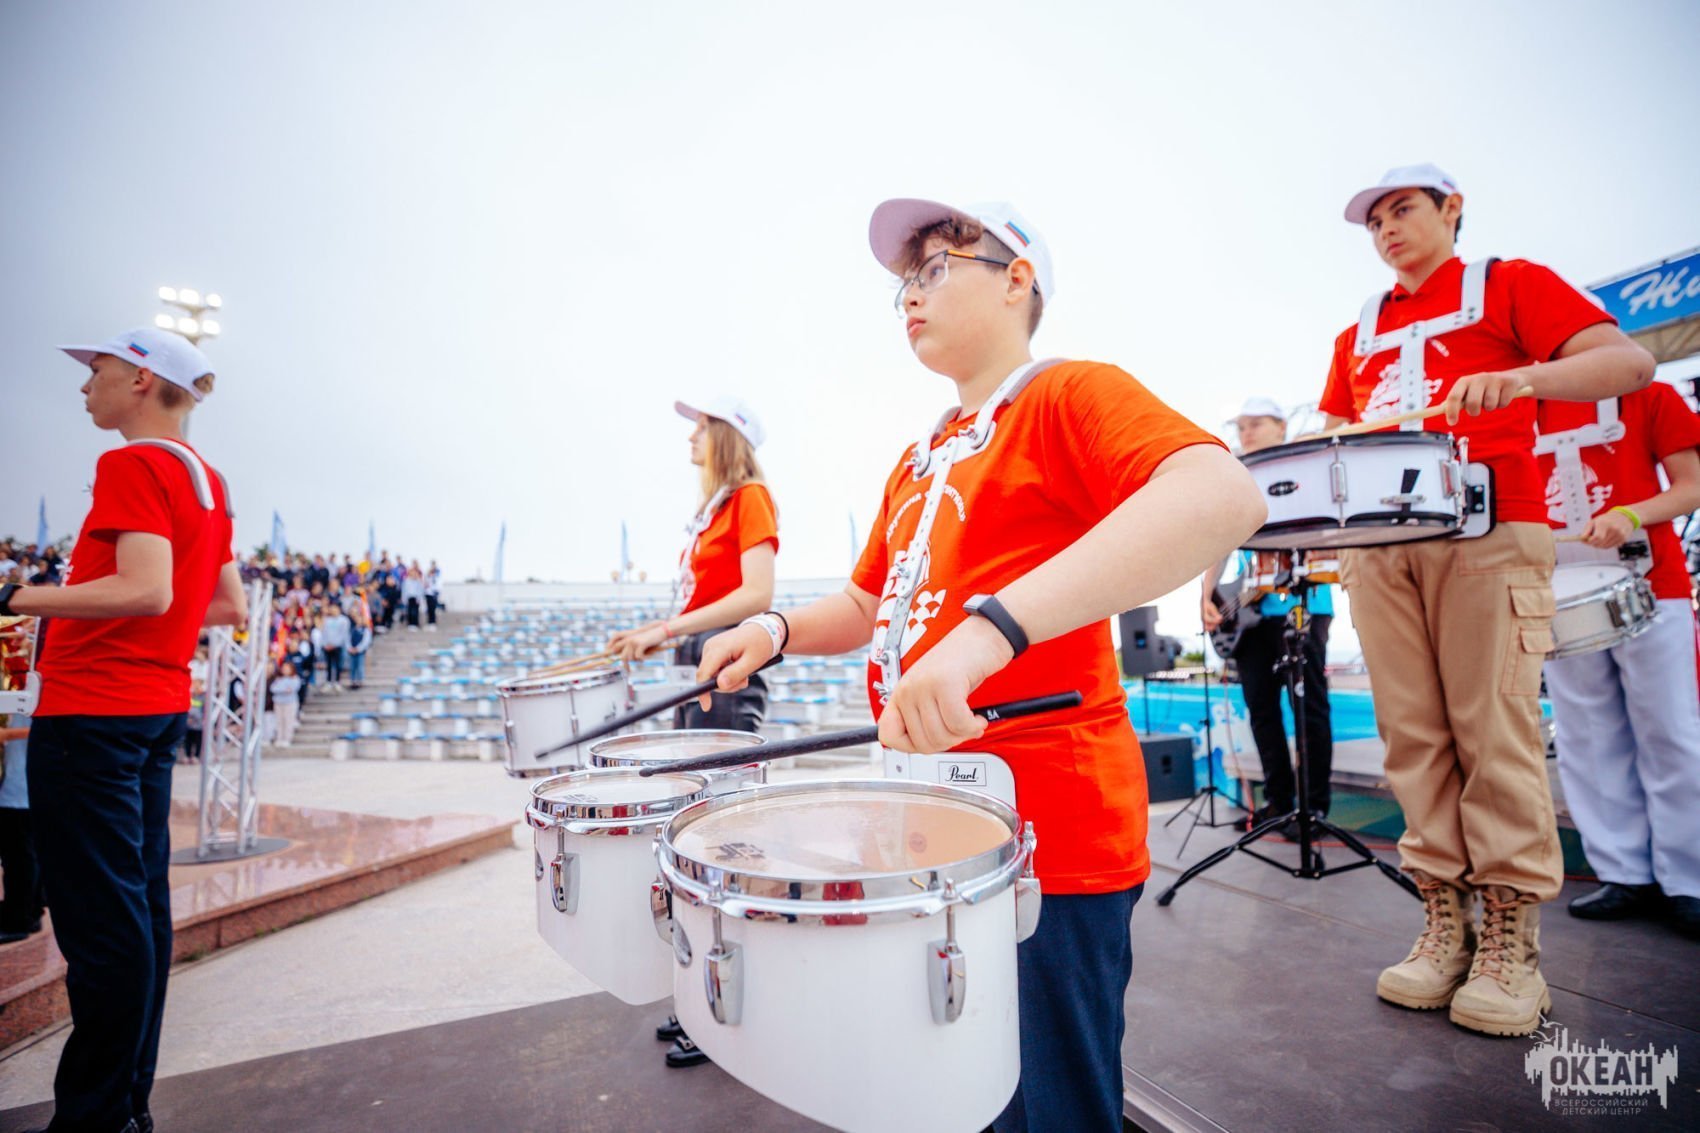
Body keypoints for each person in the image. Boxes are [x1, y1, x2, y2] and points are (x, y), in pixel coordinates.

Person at [697, 198, 1264, 1130]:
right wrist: (777, 630)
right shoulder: (918, 457)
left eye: (935, 267)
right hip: (931, 826)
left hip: (1048, 839)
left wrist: (990, 630)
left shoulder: (1067, 393)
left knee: (1050, 1103)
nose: (911, 297)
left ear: (1016, 279)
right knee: (957, 1092)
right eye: (903, 285)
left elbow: (1221, 493)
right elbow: (869, 604)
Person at [1316, 165, 1655, 1036]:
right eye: (1375, 222)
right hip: (1378, 546)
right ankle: (1445, 923)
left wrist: (1527, 379)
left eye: (1403, 210)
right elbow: (1334, 430)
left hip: (1492, 527)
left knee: (1493, 728)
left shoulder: (1510, 284)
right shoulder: (1358, 328)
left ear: (1452, 209)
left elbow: (1630, 362)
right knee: (1411, 736)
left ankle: (1511, 945)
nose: (1387, 229)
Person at [0, 326, 248, 1133]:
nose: (85, 386)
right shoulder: (207, 478)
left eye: (98, 369)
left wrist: (16, 598)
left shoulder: (133, 463)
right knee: (138, 908)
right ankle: (123, 1105)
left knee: (101, 922)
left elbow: (146, 590)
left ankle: (96, 1117)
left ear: (140, 379)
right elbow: (226, 604)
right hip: (150, 706)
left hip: (93, 712)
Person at [607, 395, 778, 1069]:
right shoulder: (713, 510)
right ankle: (709, 1001)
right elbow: (705, 602)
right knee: (699, 839)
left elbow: (756, 595)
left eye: (700, 427)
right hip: (699, 670)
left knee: (724, 844)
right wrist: (658, 635)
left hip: (726, 675)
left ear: (727, 434)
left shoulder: (749, 498)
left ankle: (729, 1005)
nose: (689, 439)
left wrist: (669, 628)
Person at [1534, 383, 1700, 939]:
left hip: (1651, 581)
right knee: (1585, 735)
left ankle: (1690, 880)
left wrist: (1630, 514)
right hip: (1558, 590)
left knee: (1671, 731)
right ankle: (1623, 873)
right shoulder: (1520, 406)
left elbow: (1692, 486)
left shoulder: (1650, 395)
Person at [1200, 397, 1335, 830]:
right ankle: (1278, 803)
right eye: (1241, 426)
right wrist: (1206, 594)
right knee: (1261, 708)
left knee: (1308, 706)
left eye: (1256, 424)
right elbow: (1221, 539)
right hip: (1250, 615)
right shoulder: (1239, 477)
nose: (1247, 433)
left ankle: (1313, 809)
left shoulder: (1306, 470)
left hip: (1303, 605)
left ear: (1281, 426)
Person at [0, 709, 44, 945]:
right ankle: (31, 911)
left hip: (20, 784)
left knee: (19, 857)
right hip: (15, 781)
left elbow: (47, 728)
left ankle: (17, 921)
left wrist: (7, 734)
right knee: (22, 854)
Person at [269, 661, 302, 746]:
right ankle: (279, 738)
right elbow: (273, 689)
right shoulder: (279, 679)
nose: (285, 670)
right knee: (279, 721)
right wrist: (284, 690)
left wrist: (281, 689)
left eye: (287, 669)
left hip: (289, 703)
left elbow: (291, 690)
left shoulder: (295, 679)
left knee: (288, 720)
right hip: (278, 703)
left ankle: (287, 738)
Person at [320, 602, 351, 691]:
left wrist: (335, 644)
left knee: (338, 664)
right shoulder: (327, 620)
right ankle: (328, 682)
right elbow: (324, 633)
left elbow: (343, 634)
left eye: (335, 608)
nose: (333, 610)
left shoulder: (344, 620)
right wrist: (325, 644)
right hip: (327, 646)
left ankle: (337, 682)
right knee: (328, 664)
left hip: (338, 646)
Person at [347, 604, 373, 690]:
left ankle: (360, 680)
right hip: (352, 650)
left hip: (360, 651)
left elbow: (366, 641)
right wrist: (350, 648)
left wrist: (358, 649)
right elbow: (348, 639)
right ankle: (353, 680)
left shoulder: (365, 630)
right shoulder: (352, 629)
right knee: (352, 666)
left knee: (360, 666)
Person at [424, 560, 442, 630]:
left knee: (433, 609)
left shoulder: (437, 576)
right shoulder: (428, 577)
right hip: (428, 594)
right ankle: (429, 622)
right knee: (428, 609)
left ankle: (433, 622)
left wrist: (436, 593)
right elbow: (425, 585)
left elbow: (437, 586)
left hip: (434, 594)